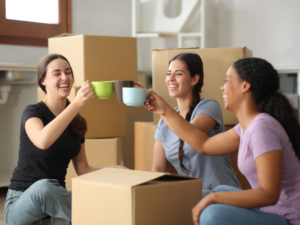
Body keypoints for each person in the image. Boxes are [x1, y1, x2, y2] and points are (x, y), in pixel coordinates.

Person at [145, 57, 300, 225]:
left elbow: (269, 194)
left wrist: (213, 198)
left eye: (227, 80)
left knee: (212, 214)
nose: (222, 87)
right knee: (219, 191)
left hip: (288, 218)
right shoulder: (245, 127)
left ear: (245, 86)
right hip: (269, 210)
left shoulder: (262, 127)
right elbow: (204, 145)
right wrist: (163, 111)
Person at [3, 54, 127, 225]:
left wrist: (115, 170)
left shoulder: (77, 122)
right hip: (21, 204)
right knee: (44, 187)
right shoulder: (32, 112)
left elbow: (83, 169)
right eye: (57, 73)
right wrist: (77, 104)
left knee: (89, 192)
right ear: (43, 80)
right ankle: (98, 215)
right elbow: (42, 141)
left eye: (68, 72)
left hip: (54, 208)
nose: (65, 77)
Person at [149, 52, 240, 197]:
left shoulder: (208, 106)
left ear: (194, 79)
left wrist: (163, 109)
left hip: (222, 193)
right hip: (192, 196)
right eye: (168, 73)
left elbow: (192, 135)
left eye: (178, 74)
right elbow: (158, 168)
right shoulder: (163, 121)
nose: (170, 79)